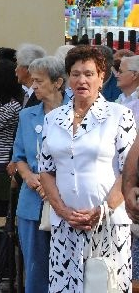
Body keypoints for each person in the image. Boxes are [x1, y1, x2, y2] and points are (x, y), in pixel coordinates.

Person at [39, 45, 135, 292]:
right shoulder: (53, 119)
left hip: (108, 223)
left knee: (105, 287)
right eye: (76, 74)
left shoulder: (119, 115)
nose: (82, 80)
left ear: (101, 77)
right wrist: (62, 210)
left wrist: (102, 210)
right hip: (65, 225)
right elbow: (46, 170)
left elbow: (129, 171)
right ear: (68, 78)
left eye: (89, 74)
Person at [11, 56, 67, 293]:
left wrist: (50, 182)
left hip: (67, 200)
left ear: (58, 82)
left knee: (67, 267)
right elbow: (18, 157)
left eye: (39, 81)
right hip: (33, 200)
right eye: (32, 80)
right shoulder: (27, 115)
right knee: (35, 268)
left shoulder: (77, 112)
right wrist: (28, 177)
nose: (33, 86)